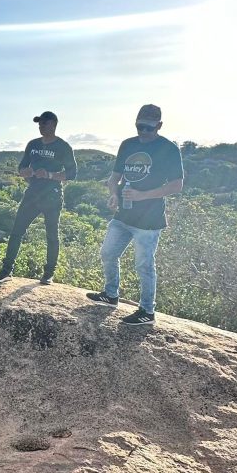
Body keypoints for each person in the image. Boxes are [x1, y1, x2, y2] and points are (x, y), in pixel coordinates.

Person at [87, 104, 183, 326]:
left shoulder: (168, 149)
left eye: (149, 128)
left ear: (159, 125)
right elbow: (114, 178)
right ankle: (111, 295)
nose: (144, 132)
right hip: (123, 214)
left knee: (144, 265)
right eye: (140, 127)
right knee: (108, 253)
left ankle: (147, 311)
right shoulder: (128, 144)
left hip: (148, 220)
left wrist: (143, 195)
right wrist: (113, 194)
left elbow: (176, 185)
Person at [0, 111, 77, 284]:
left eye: (44, 123)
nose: (40, 126)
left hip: (52, 195)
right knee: (16, 231)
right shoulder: (32, 144)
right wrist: (25, 172)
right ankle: (6, 271)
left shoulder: (63, 147)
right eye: (39, 124)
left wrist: (49, 174)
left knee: (51, 235)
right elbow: (21, 167)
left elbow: (72, 173)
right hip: (32, 193)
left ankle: (49, 274)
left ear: (53, 124)